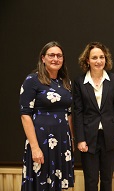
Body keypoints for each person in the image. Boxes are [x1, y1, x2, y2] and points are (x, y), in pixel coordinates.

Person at [19, 41, 75, 190]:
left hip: (62, 142)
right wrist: (35, 147)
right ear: (43, 58)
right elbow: (25, 115)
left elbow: (68, 114)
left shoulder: (65, 82)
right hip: (42, 141)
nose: (55, 59)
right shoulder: (32, 80)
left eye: (59, 56)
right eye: (51, 55)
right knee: (41, 184)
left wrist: (72, 140)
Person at [73, 42, 114, 191]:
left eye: (102, 57)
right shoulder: (79, 82)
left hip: (110, 136)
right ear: (87, 60)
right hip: (89, 138)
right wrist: (80, 139)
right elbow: (78, 112)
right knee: (91, 180)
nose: (99, 61)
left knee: (107, 179)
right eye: (94, 57)